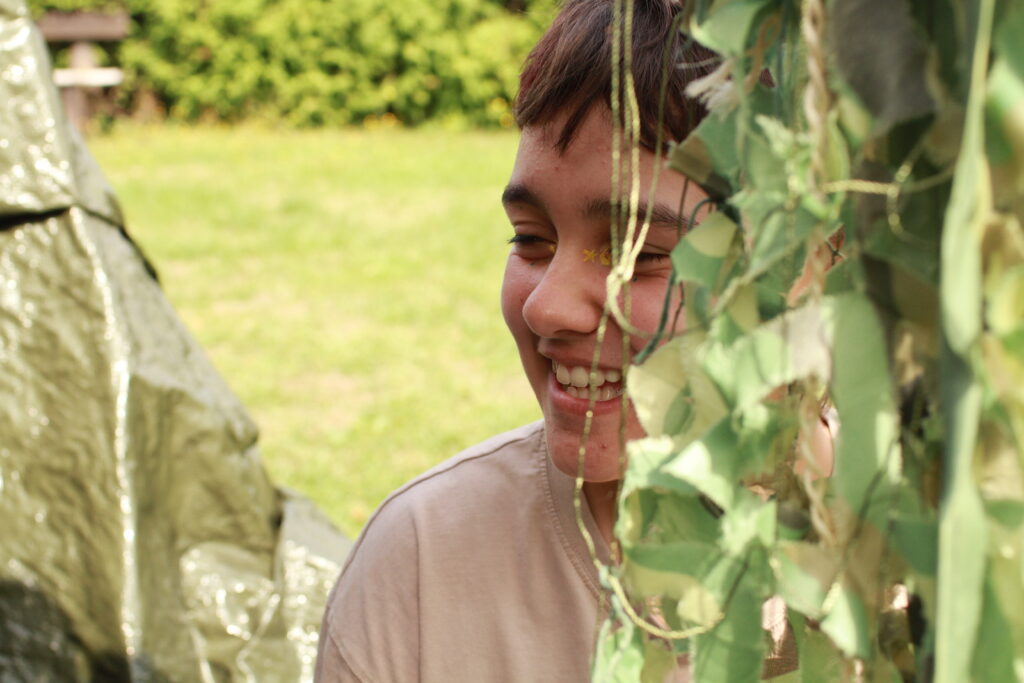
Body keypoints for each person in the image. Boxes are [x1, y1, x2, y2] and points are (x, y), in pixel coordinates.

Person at [315, 1, 730, 679]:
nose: (547, 306)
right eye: (532, 240)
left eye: (636, 254)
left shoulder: (920, 584)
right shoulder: (423, 564)